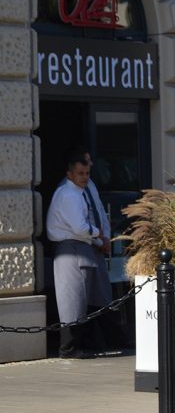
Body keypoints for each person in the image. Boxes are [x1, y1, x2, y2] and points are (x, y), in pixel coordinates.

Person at [47, 147, 113, 358]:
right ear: (70, 174)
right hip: (71, 247)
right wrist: (98, 233)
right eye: (81, 173)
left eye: (87, 173)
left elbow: (96, 215)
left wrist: (99, 237)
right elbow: (80, 227)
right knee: (73, 300)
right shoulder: (68, 194)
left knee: (82, 298)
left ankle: (84, 344)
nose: (85, 177)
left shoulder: (78, 192)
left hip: (81, 246)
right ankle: (69, 348)